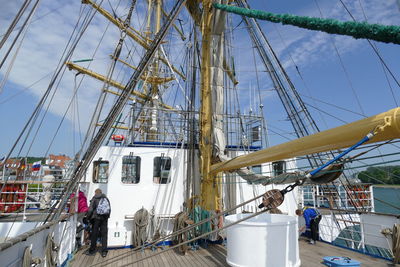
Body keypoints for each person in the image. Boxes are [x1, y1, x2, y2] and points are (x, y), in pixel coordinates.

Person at [85, 189, 111, 257]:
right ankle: (104, 251)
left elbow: (90, 210)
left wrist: (88, 218)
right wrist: (107, 217)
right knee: (104, 234)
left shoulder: (94, 198)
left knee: (94, 234)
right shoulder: (106, 198)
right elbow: (109, 209)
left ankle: (92, 250)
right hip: (104, 219)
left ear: (95, 193)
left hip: (96, 219)